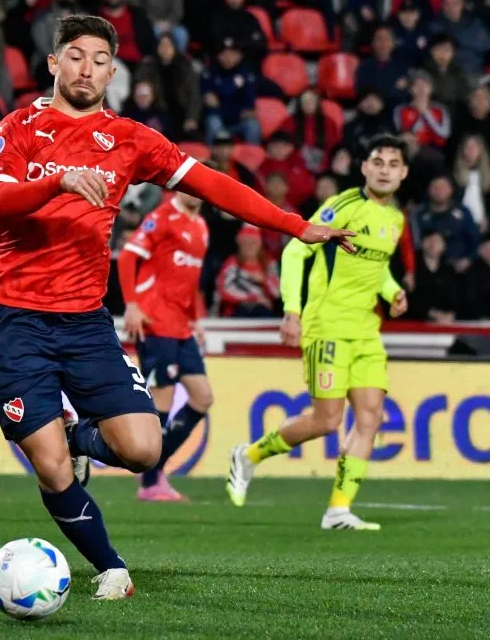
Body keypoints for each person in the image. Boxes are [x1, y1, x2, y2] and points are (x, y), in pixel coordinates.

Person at [0, 14, 353, 599]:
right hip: (15, 319)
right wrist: (59, 183)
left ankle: (79, 440)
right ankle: (111, 568)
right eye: (75, 55)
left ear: (113, 70)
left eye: (100, 59)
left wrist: (294, 226)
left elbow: (214, 185)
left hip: (85, 321)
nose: (87, 68)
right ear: (53, 63)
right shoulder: (19, 126)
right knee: (48, 467)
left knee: (142, 448)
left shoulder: (129, 139)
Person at [227, 133, 410, 530]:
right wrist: (291, 311)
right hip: (326, 325)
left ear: (404, 173)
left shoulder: (395, 220)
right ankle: (249, 455)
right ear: (364, 167)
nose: (384, 170)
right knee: (328, 420)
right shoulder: (342, 206)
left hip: (366, 331)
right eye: (377, 162)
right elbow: (296, 250)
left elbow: (377, 270)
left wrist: (394, 292)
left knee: (370, 417)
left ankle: (338, 510)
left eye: (393, 165)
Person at [118, 192, 211, 503]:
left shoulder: (201, 227)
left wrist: (196, 319)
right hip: (155, 322)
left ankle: (154, 469)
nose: (195, 192)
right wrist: (131, 305)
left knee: (202, 397)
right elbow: (129, 255)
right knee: (163, 401)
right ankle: (150, 481)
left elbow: (191, 281)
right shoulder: (162, 216)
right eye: (190, 185)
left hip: (181, 327)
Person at [214, 224, 280, 317]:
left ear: (259, 244)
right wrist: (253, 298)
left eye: (252, 243)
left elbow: (276, 292)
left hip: (263, 313)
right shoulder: (232, 263)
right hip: (237, 312)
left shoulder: (269, 263)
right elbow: (224, 291)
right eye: (245, 243)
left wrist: (263, 280)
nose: (249, 247)